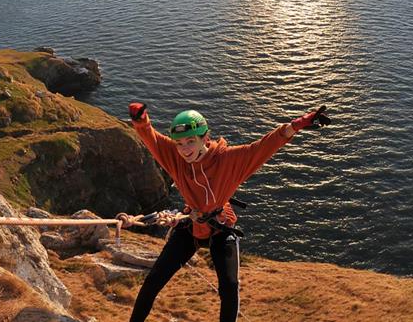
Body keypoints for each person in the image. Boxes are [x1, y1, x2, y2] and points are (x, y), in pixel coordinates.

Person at [126, 102, 330, 322]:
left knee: (230, 287)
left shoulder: (228, 160)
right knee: (153, 281)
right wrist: (141, 121)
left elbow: (262, 147)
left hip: (220, 227)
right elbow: (152, 138)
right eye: (179, 143)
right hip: (191, 225)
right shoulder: (176, 158)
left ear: (205, 138)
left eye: (190, 141)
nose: (184, 149)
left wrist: (295, 126)